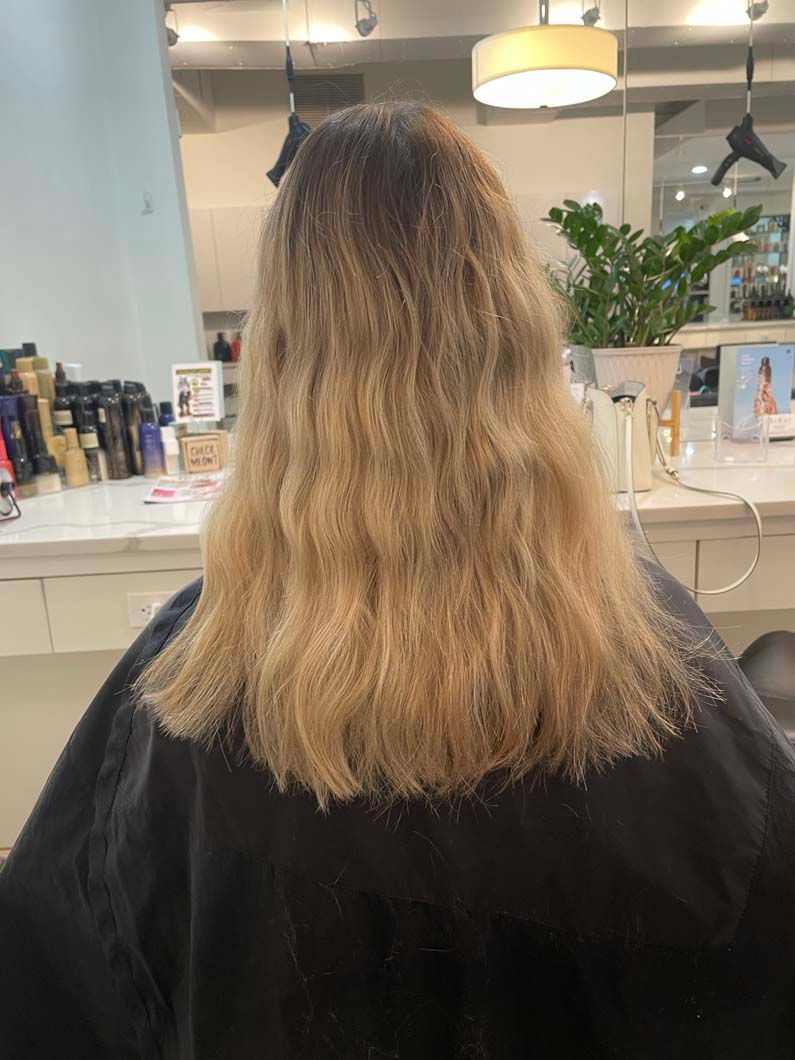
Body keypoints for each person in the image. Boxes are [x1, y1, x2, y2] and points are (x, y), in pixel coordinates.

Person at [1, 102, 794, 1059]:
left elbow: (63, 975)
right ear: (514, 332)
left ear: (285, 350)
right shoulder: (659, 657)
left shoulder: (191, 673)